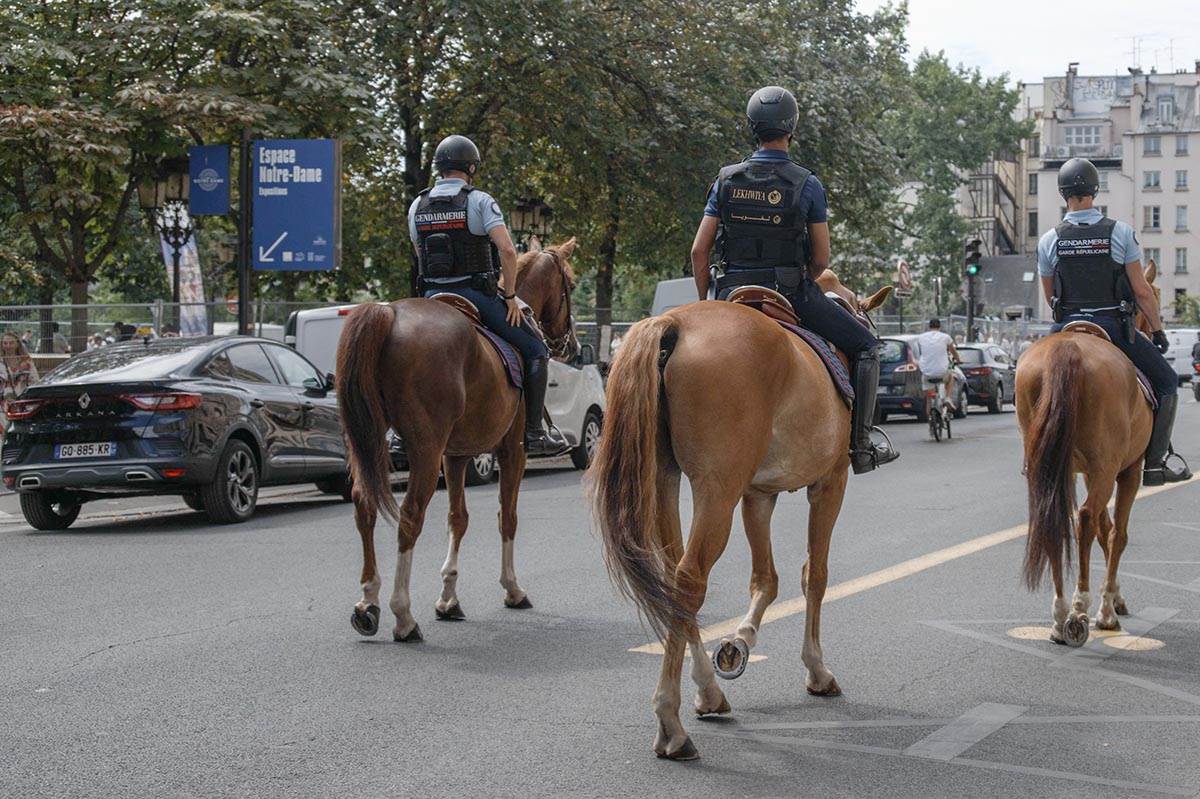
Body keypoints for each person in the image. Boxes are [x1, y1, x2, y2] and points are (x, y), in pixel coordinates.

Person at [689, 85, 898, 474]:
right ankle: (862, 444)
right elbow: (821, 259)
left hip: (731, 291)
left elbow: (699, 251)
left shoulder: (725, 180)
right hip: (789, 291)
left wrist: (706, 301)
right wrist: (805, 277)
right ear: (791, 129)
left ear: (752, 127)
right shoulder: (807, 184)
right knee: (867, 346)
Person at [407, 134, 568, 456]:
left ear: (439, 167)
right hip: (475, 294)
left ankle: (398, 435)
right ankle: (536, 433)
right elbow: (508, 251)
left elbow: (418, 252)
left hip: (431, 296)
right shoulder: (479, 201)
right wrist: (509, 296)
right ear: (471, 167)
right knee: (535, 349)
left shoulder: (417, 205)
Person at [1038, 157, 1190, 485]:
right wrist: (1158, 329)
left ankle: (1033, 455)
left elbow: (1051, 296)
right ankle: (1154, 462)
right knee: (1167, 382)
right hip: (1112, 328)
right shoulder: (1120, 233)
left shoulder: (1049, 239)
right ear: (1095, 190)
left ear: (1062, 193)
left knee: (1033, 377)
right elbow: (1142, 291)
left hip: (1064, 327)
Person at [914, 318, 960, 411]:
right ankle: (947, 398)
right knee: (951, 377)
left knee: (929, 400)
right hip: (942, 372)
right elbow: (953, 351)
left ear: (929, 326)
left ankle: (931, 421)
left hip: (926, 372)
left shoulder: (921, 337)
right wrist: (958, 359)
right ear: (940, 327)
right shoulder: (945, 337)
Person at [1, 331, 39, 438]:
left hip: (22, 403)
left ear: (17, 344)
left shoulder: (26, 361)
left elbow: (34, 379)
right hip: (2, 405)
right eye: (5, 343)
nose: (8, 346)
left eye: (11, 343)